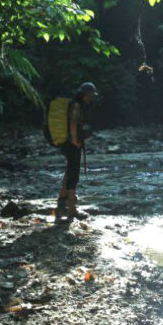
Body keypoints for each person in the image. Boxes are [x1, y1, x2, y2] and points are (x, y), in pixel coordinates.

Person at [55, 82, 98, 221]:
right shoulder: (76, 105)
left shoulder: (76, 104)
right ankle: (72, 210)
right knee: (73, 176)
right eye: (91, 95)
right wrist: (75, 141)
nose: (91, 98)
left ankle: (61, 205)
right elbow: (73, 123)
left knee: (70, 172)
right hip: (71, 144)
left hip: (68, 143)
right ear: (85, 94)